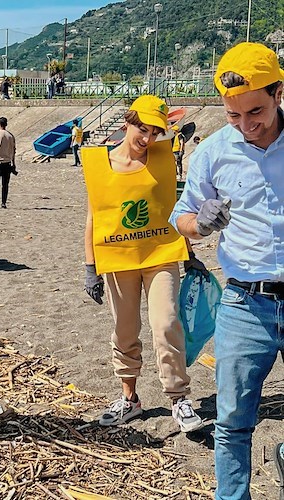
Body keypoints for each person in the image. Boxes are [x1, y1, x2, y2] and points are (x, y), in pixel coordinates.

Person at [169, 42, 284, 499]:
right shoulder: (214, 151)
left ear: (279, 91)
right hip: (244, 304)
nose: (245, 124)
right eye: (233, 115)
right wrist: (200, 222)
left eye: (255, 110)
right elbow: (182, 216)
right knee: (234, 421)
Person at [82, 95, 204, 433]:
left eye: (154, 131)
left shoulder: (163, 159)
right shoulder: (99, 165)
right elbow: (93, 218)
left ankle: (179, 397)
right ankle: (130, 399)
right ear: (127, 123)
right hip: (118, 257)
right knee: (124, 329)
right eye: (141, 128)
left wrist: (191, 254)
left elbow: (174, 207)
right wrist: (89, 267)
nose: (146, 138)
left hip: (161, 253)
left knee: (166, 324)